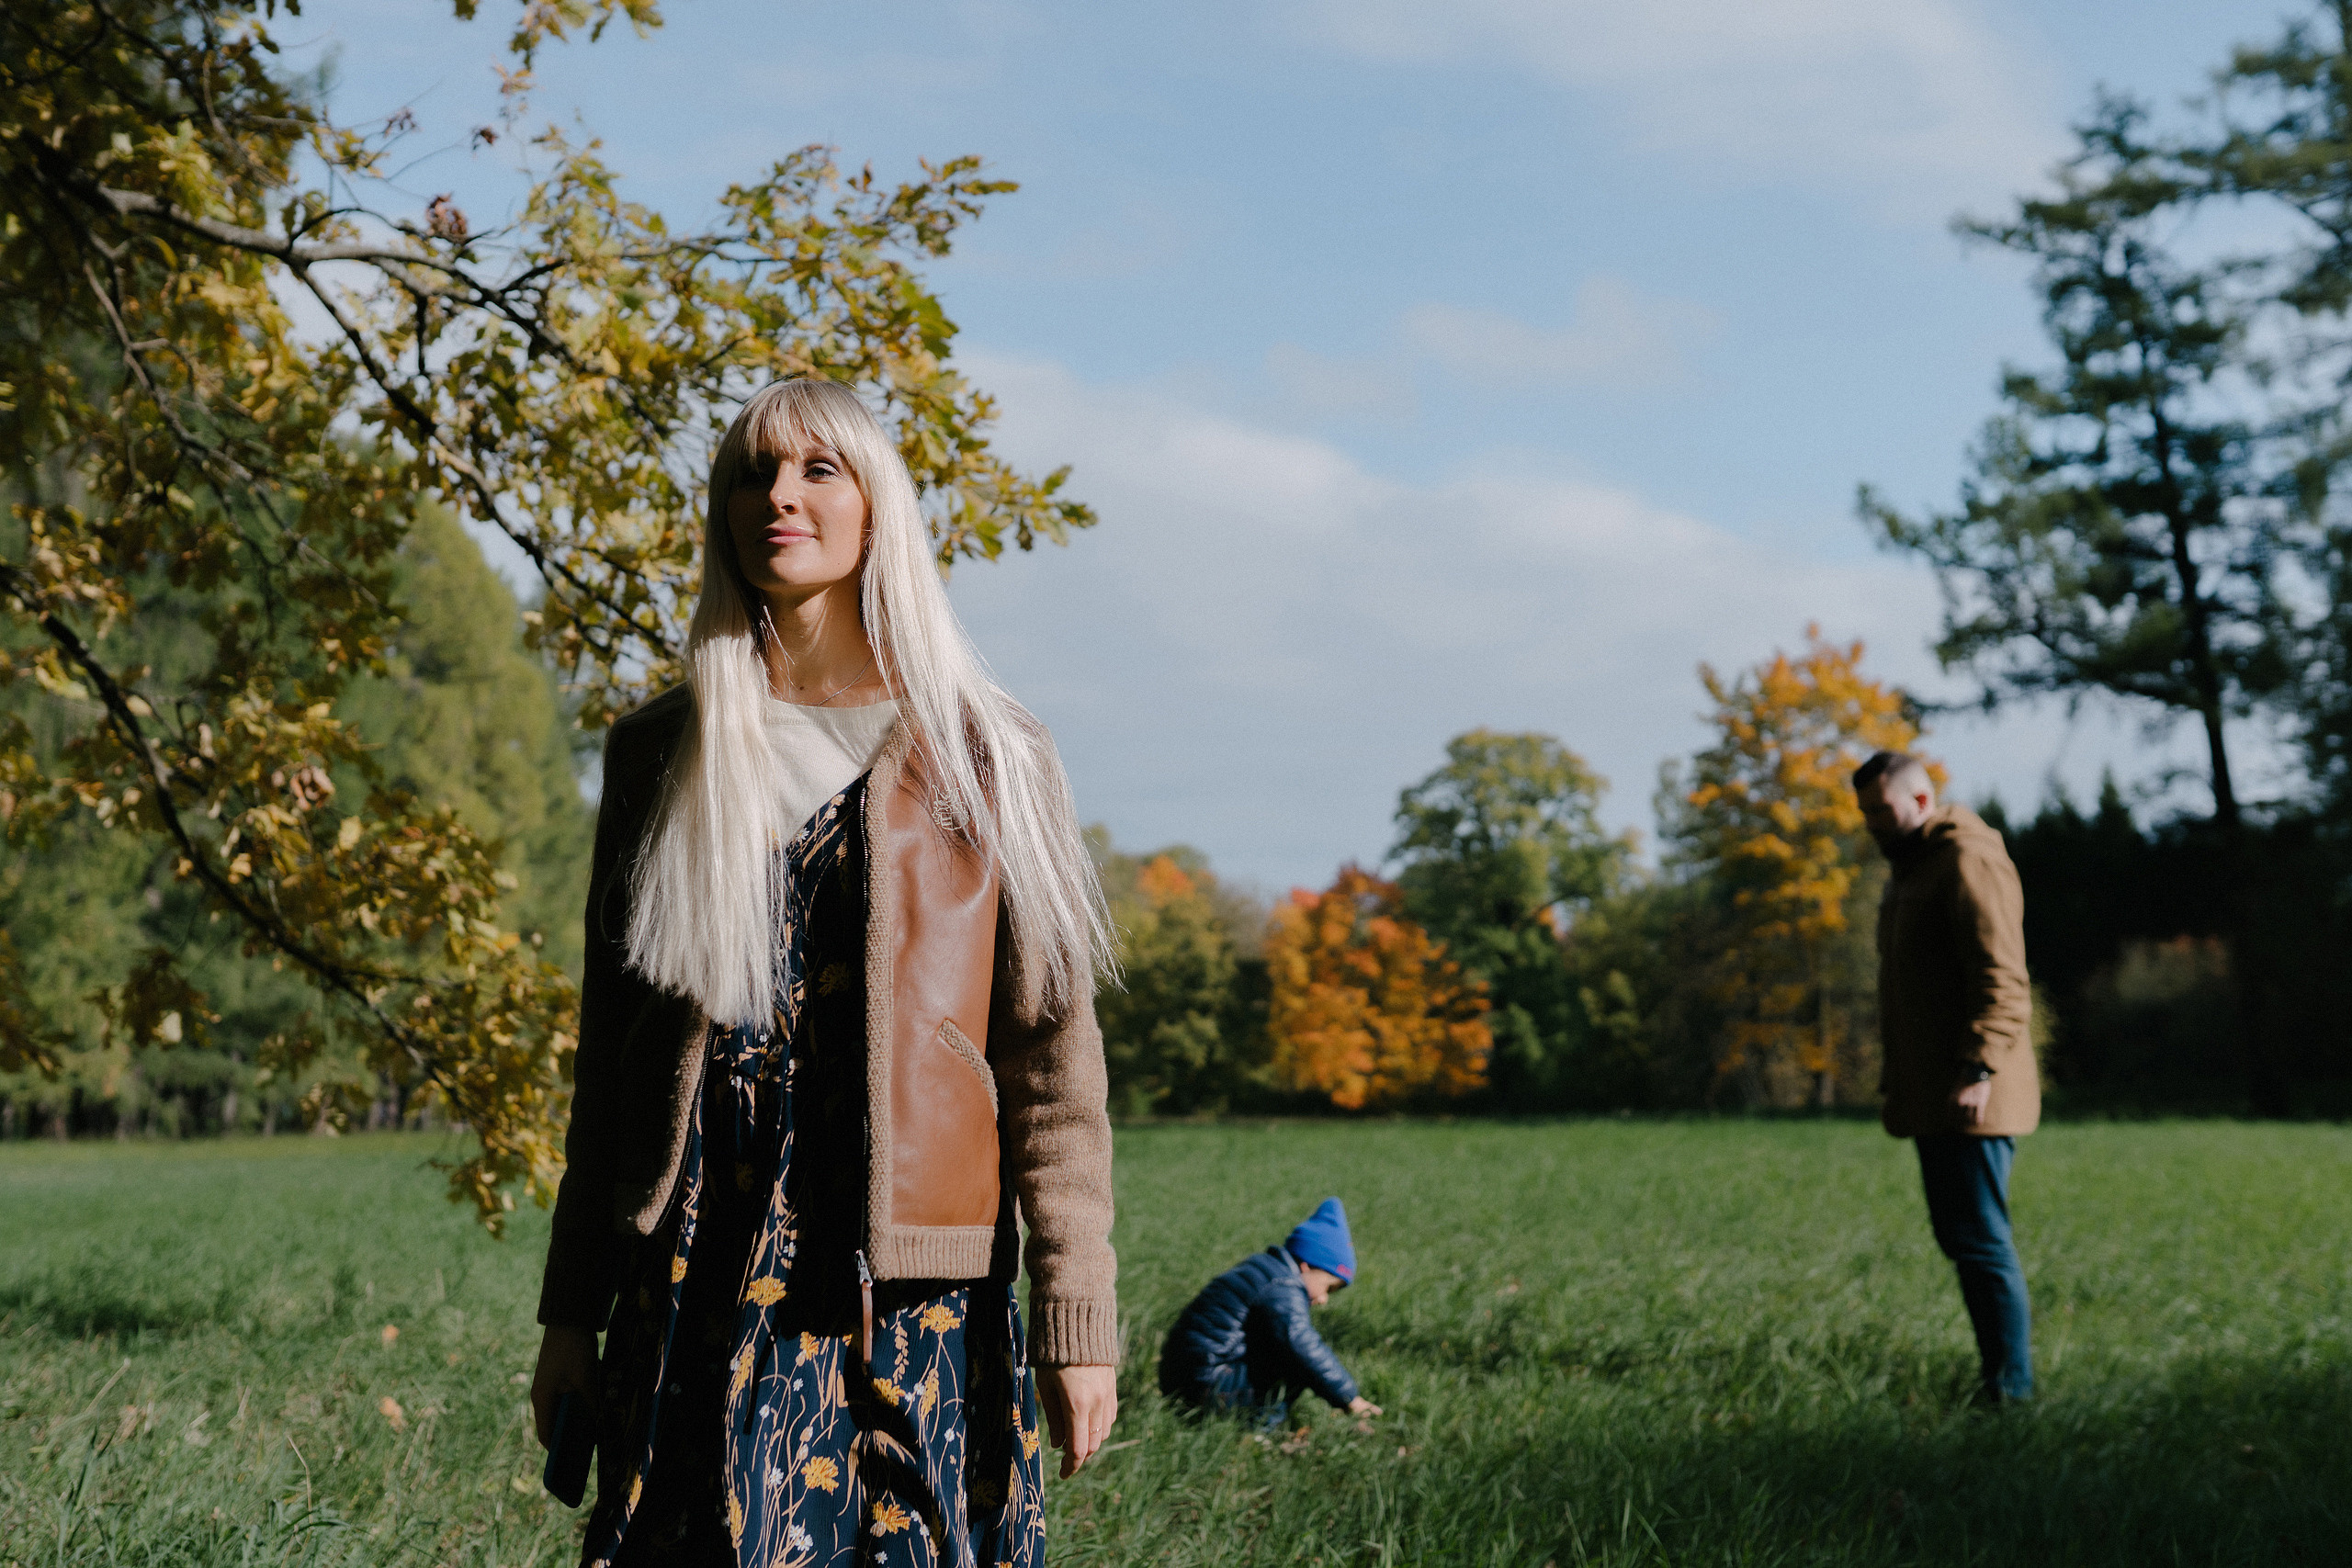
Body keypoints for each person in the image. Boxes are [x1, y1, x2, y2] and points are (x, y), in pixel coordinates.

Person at [527, 377, 1121, 1567]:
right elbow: (612, 1062)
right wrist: (569, 1315)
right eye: (751, 473)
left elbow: (1053, 1067)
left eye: (817, 470)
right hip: (699, 1254)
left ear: (875, 510)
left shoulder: (991, 751)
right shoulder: (661, 751)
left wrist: (1077, 1321)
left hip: (919, 1276)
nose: (778, 498)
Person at [1853, 750, 2041, 1406]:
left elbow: (2004, 978)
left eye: (1883, 809)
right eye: (1866, 813)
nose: (1873, 823)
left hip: (1972, 1091)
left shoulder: (1967, 858)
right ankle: (1999, 1380)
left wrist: (1978, 1067)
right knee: (1964, 1238)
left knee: (1982, 1240)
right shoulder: (1913, 869)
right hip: (1938, 1089)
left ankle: (2010, 1394)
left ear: (1923, 800)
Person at [1158, 1198, 1382, 1427]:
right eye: (1328, 1287)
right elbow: (1301, 1343)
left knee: (1283, 1348)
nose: (1324, 1299)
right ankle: (1258, 1430)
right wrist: (1349, 1398)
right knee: (1295, 1360)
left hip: (1186, 1375)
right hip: (1204, 1383)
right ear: (1307, 1265)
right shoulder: (1283, 1285)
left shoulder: (1267, 1271)